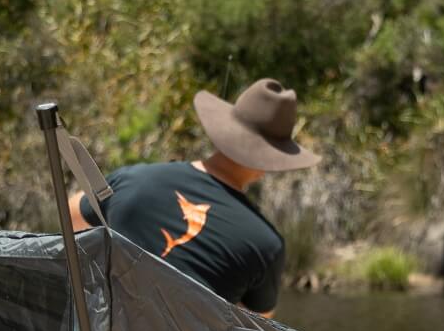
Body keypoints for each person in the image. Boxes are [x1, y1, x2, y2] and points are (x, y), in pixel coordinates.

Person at [69, 77, 316, 316]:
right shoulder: (267, 243)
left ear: (224, 132)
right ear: (272, 159)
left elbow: (71, 215)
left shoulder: (131, 180)